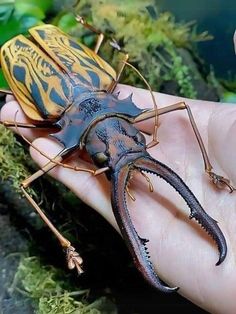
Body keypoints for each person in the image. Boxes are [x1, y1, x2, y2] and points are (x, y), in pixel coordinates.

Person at [1, 37, 236, 314]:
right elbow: (25, 187)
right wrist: (66, 244)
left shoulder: (60, 103)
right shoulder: (96, 84)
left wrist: (209, 170)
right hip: (42, 56)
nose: (124, 154)